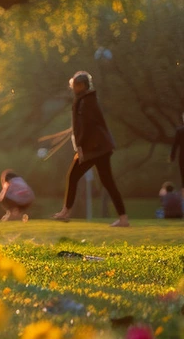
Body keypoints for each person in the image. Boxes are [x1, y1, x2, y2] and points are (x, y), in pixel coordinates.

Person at [53, 71, 129, 227]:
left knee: (73, 175)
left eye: (77, 85)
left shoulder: (85, 102)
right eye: (74, 85)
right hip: (100, 147)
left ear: (84, 86)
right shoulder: (86, 100)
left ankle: (66, 211)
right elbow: (86, 125)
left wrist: (79, 147)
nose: (74, 88)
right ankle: (123, 218)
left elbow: (86, 127)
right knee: (108, 182)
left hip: (94, 148)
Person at [172, 112, 184, 188]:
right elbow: (175, 145)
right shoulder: (179, 131)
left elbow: (175, 145)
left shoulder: (180, 131)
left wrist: (172, 156)